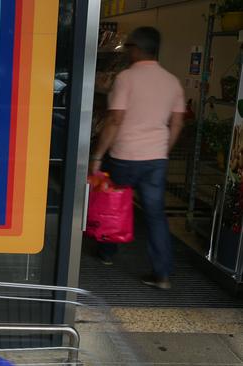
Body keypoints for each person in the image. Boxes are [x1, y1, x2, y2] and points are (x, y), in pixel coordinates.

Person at [89, 26, 185, 290]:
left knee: (113, 201)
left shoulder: (126, 78)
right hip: (156, 159)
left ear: (137, 49)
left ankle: (107, 252)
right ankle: (162, 274)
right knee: (155, 215)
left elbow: (115, 119)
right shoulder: (172, 81)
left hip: (125, 156)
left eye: (129, 47)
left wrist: (98, 156)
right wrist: (163, 150)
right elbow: (177, 123)